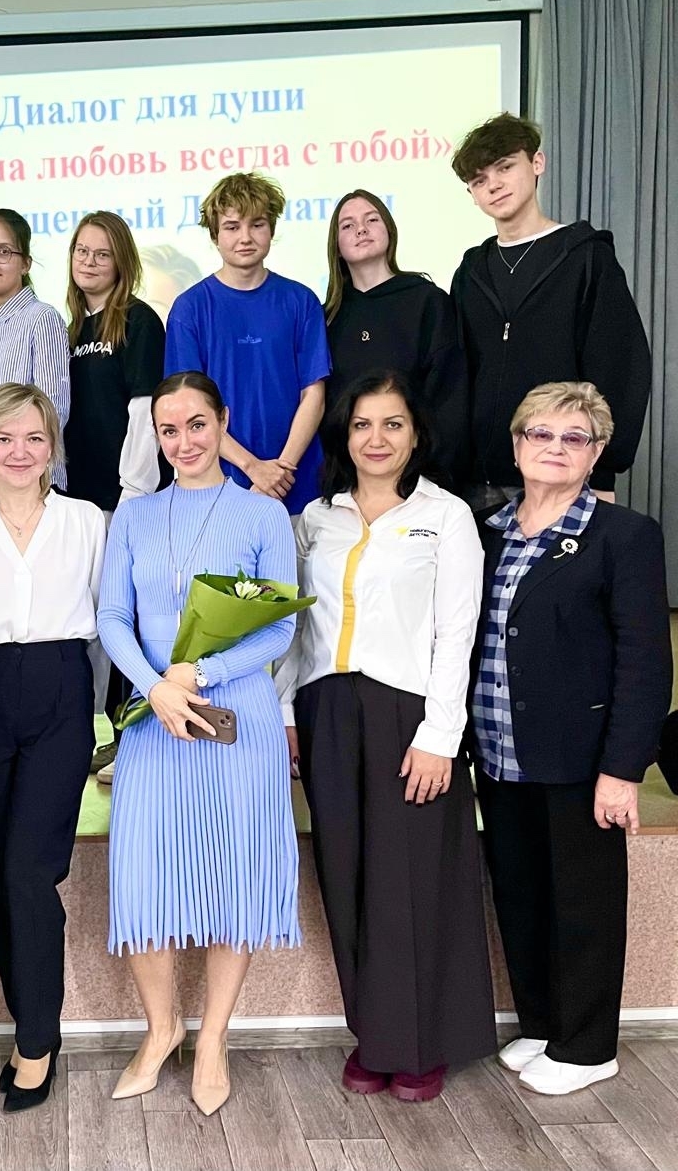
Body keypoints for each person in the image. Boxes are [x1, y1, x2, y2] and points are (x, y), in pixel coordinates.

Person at [277, 372, 495, 1103]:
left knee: (414, 880)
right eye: (362, 424)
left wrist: (441, 734)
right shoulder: (317, 518)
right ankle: (374, 1036)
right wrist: (286, 712)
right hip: (327, 710)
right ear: (344, 435)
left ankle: (421, 1044)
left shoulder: (447, 516)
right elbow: (295, 627)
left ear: (416, 434)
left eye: (392, 424)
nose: (376, 438)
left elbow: (458, 632)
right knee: (346, 876)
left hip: (410, 716)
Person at [97, 372, 299, 1117]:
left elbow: (281, 626)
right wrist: (155, 686)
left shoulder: (262, 515)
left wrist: (200, 673)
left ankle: (213, 1038)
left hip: (235, 717)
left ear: (223, 423)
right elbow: (113, 616)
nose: (183, 442)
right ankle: (161, 1032)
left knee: (233, 875)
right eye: (168, 429)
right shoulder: (134, 515)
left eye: (196, 425)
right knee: (146, 873)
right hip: (154, 720)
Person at [470, 381, 670, 1095]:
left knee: (584, 905)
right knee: (521, 895)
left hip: (580, 759)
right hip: (499, 751)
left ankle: (588, 1047)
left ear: (596, 453)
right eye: (541, 434)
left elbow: (645, 662)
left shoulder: (625, 536)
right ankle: (543, 1024)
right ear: (517, 443)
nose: (554, 448)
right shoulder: (486, 532)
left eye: (573, 437)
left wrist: (623, 769)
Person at [0, 383, 106, 1113]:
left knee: (29, 871)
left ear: (54, 447)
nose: (20, 451)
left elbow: (115, 618)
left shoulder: (87, 521)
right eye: (5, 437)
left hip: (60, 693)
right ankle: (30, 1027)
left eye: (35, 438)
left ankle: (38, 1042)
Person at [449, 113, 651, 508]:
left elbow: (619, 366)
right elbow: (456, 374)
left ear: (536, 163)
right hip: (478, 484)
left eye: (505, 167)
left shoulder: (586, 257)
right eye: (479, 180)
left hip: (564, 473)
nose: (494, 185)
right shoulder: (472, 270)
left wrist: (602, 469)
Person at [64, 211, 166, 779]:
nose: (90, 262)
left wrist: (132, 494)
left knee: (126, 620)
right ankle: (109, 734)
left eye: (102, 253)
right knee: (93, 625)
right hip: (78, 501)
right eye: (82, 251)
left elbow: (145, 412)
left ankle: (133, 735)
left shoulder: (138, 322)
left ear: (122, 261)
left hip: (124, 500)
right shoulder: (71, 329)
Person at [164, 172, 330, 515]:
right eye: (232, 226)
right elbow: (188, 408)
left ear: (271, 229)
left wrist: (280, 471)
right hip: (218, 490)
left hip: (298, 489)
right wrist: (253, 467)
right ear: (215, 235)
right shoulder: (189, 309)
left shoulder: (301, 301)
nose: (245, 237)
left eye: (257, 225)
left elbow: (314, 394)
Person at [323, 192, 467, 480]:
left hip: (418, 478)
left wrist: (429, 476)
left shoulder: (427, 301)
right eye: (348, 225)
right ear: (336, 246)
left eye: (371, 220)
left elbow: (448, 396)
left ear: (390, 230)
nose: (361, 229)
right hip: (346, 482)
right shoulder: (327, 317)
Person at [0, 207, 69, 487]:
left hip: (35, 483)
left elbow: (53, 411)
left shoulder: (42, 318)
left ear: (25, 264)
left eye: (3, 252)